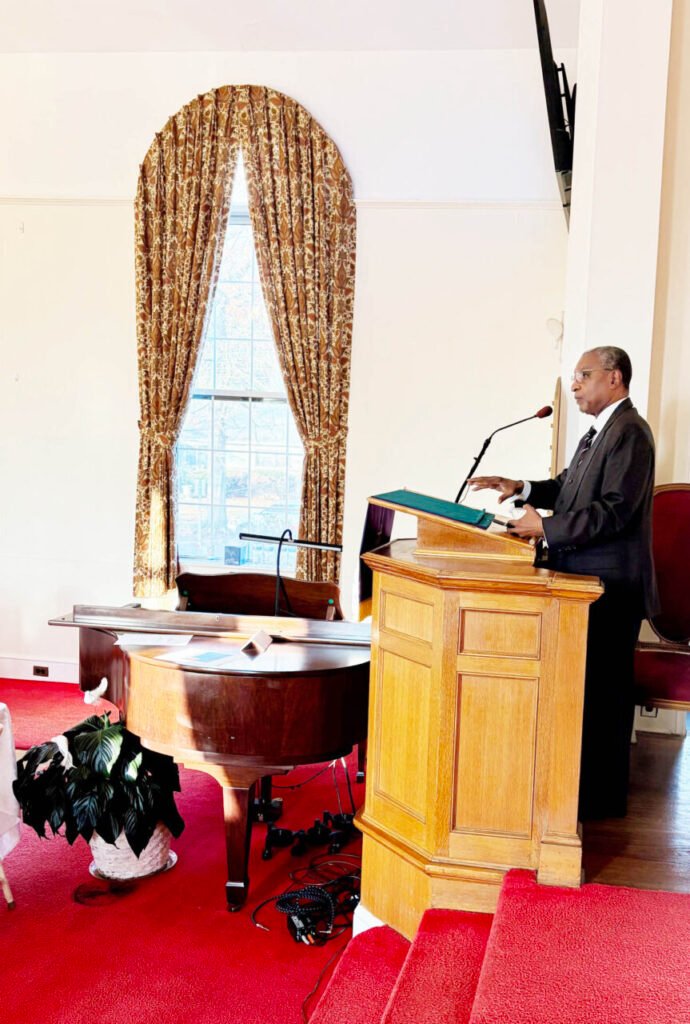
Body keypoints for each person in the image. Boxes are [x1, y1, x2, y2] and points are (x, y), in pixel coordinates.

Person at [469, 346, 656, 820]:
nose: (574, 386)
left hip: (610, 585)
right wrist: (522, 488)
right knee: (583, 691)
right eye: (573, 378)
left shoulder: (630, 432)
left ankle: (601, 801)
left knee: (604, 694)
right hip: (583, 582)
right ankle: (579, 793)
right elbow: (568, 487)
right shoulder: (600, 432)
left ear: (614, 378)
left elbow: (615, 510)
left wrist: (547, 529)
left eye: (583, 376)